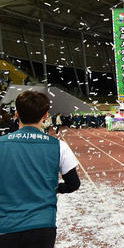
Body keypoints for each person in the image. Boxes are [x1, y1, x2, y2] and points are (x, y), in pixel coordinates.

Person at [0, 91, 80, 247]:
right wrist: (55, 189)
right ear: (45, 115)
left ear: (16, 114)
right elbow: (73, 184)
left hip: (5, 226)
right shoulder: (58, 146)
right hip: (42, 225)